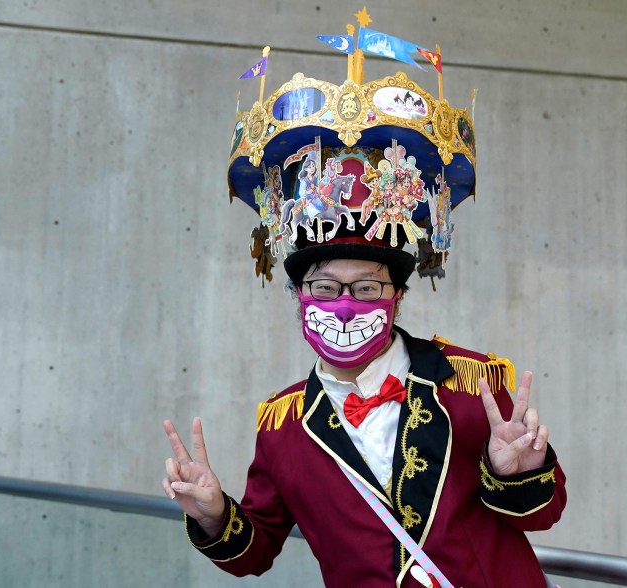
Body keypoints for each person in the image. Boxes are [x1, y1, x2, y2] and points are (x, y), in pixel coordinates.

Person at [162, 32, 566, 586]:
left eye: (367, 288)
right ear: (301, 297)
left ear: (398, 295)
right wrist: (213, 515)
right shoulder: (282, 426)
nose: (345, 305)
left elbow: (542, 515)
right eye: (325, 288)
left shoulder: (473, 386)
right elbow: (255, 551)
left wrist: (516, 471)